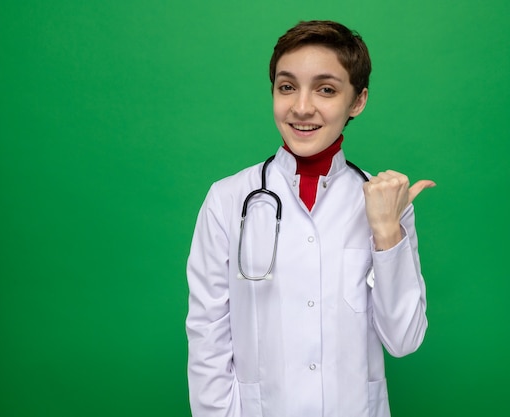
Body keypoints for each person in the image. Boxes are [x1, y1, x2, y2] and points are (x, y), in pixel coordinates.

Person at [186, 20, 435, 417]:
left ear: (358, 101)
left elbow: (404, 340)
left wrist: (388, 231)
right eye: (287, 87)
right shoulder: (228, 199)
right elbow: (207, 339)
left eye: (326, 89)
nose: (301, 107)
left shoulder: (386, 201)